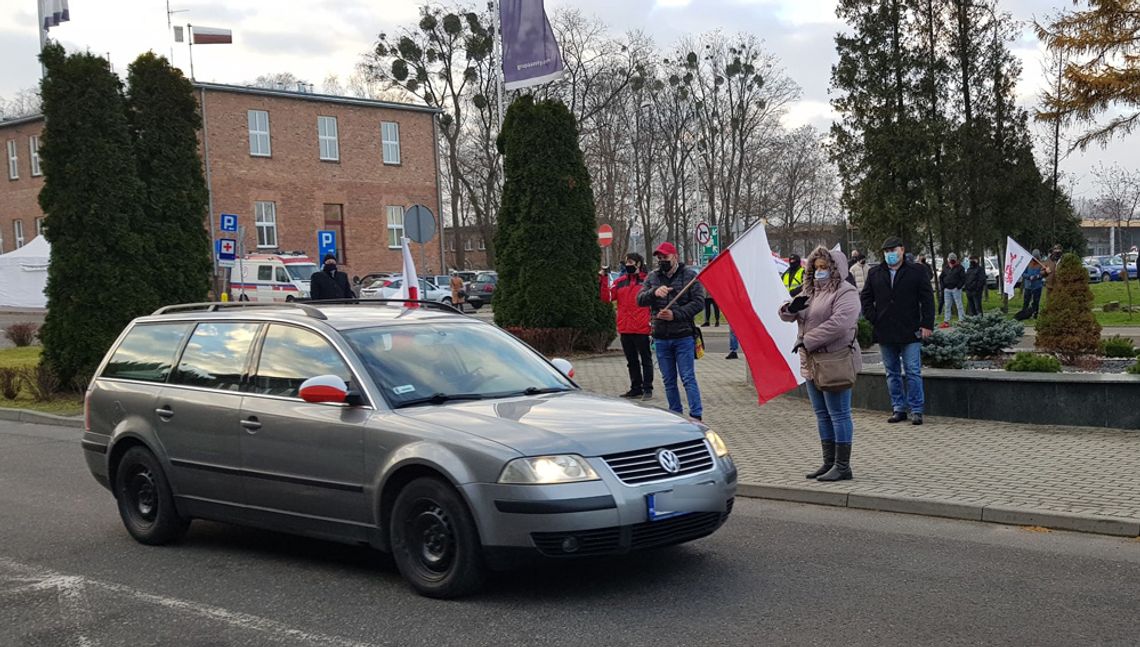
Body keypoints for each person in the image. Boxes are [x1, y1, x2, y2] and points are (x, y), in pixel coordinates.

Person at [779, 247, 862, 481]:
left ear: (836, 268)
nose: (819, 272)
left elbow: (840, 323)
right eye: (816, 268)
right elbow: (790, 313)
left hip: (835, 360)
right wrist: (789, 309)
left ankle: (843, 465)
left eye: (824, 268)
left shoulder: (846, 292)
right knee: (822, 415)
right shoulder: (810, 290)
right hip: (812, 362)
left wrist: (808, 340)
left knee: (839, 414)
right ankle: (828, 462)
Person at [861, 237, 935, 425]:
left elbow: (927, 299)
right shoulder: (876, 273)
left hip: (910, 330)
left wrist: (927, 324)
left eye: (892, 250)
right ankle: (898, 408)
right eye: (886, 251)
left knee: (912, 370)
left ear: (902, 250)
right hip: (885, 330)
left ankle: (916, 410)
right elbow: (866, 298)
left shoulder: (916, 271)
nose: (889, 254)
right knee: (891, 372)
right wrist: (873, 317)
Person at [637, 242, 705, 421]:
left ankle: (696, 415)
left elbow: (699, 302)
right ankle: (676, 414)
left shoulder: (689, 276)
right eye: (659, 258)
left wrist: (676, 314)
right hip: (660, 337)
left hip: (683, 336)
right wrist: (653, 292)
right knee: (668, 380)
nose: (662, 261)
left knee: (687, 377)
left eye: (665, 258)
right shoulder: (652, 277)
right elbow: (640, 299)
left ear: (675, 257)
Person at [601, 253, 654, 400]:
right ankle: (635, 387)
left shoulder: (647, 281)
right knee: (631, 361)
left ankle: (648, 388)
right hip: (625, 328)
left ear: (638, 264)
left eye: (630, 262)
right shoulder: (620, 282)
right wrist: (604, 278)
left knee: (646, 360)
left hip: (642, 327)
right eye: (626, 262)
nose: (628, 264)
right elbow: (608, 298)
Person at [939, 252, 966, 328]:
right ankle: (946, 321)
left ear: (956, 260)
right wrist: (943, 286)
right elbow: (941, 277)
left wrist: (958, 286)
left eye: (953, 260)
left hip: (956, 289)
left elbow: (963, 278)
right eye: (951, 260)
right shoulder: (946, 267)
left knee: (959, 305)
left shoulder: (960, 268)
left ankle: (962, 320)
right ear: (948, 260)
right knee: (947, 305)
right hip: (947, 289)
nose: (952, 261)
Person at [1017, 252, 1045, 319]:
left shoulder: (1041, 264)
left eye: (1036, 258)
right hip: (1028, 286)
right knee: (1026, 301)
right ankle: (1024, 315)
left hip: (1037, 286)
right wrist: (1029, 277)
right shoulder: (1028, 264)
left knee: (1036, 301)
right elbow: (1023, 273)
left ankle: (1035, 314)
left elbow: (1043, 273)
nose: (1035, 259)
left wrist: (1038, 276)